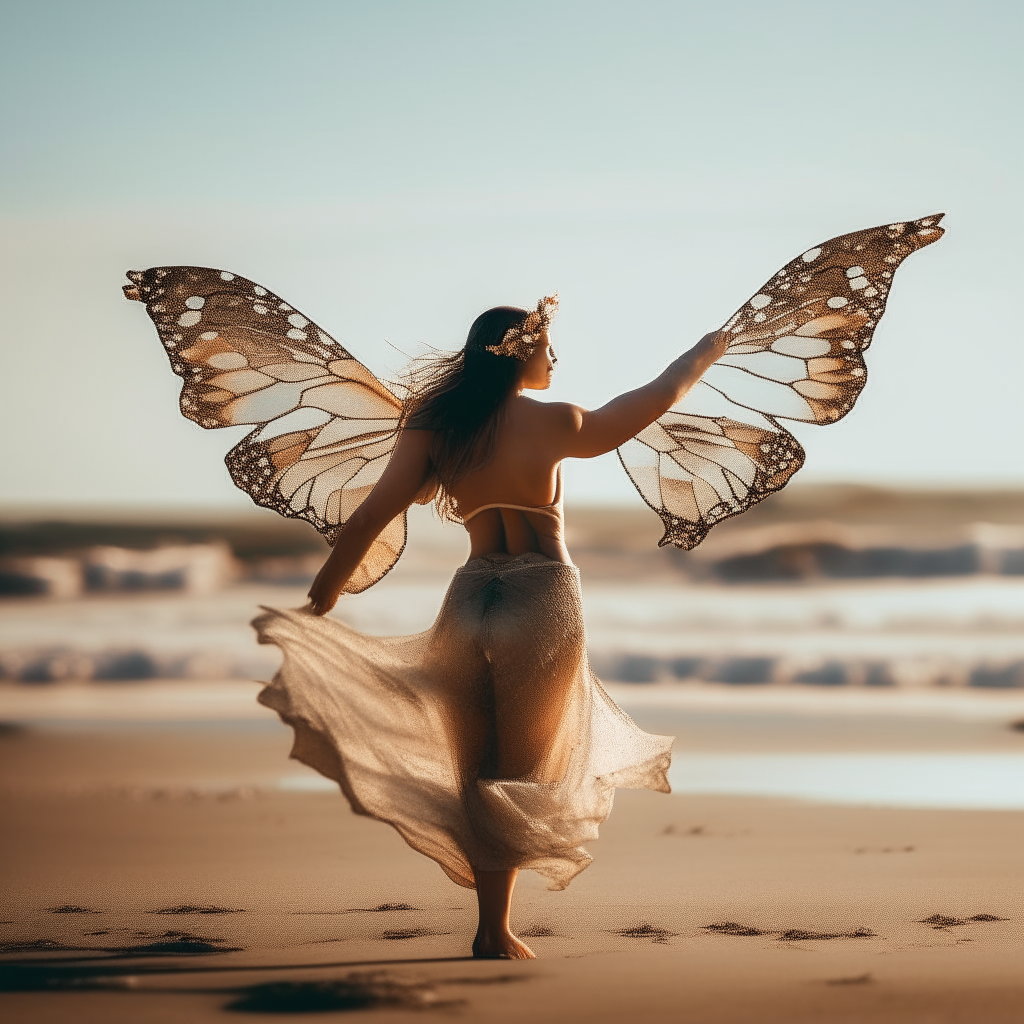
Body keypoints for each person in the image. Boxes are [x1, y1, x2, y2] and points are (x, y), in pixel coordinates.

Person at [257, 297, 727, 959]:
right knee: (517, 768)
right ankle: (493, 931)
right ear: (520, 351)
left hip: (471, 594)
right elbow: (653, 397)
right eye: (547, 347)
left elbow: (369, 519)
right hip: (541, 598)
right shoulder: (558, 422)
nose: (555, 359)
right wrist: (706, 350)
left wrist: (323, 597)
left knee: (475, 765)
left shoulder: (435, 426)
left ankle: (490, 925)